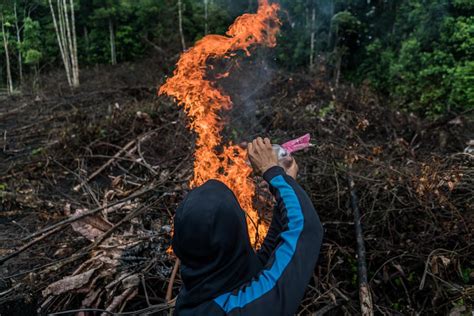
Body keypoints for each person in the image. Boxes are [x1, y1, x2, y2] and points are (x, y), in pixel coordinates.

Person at [172, 137, 323, 315]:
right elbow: (305, 229)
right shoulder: (241, 310)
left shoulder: (202, 285)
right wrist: (274, 175)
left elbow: (260, 265)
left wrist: (283, 194)